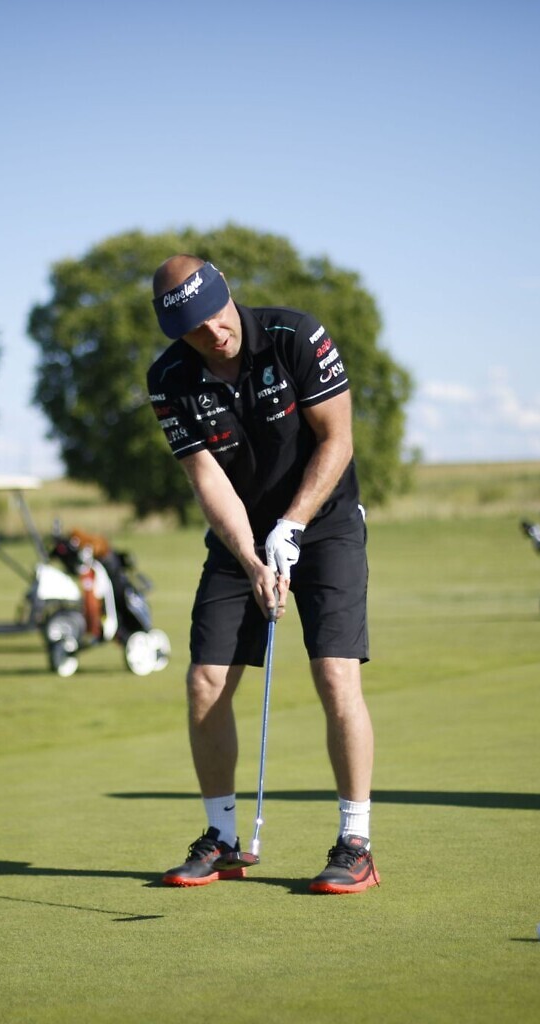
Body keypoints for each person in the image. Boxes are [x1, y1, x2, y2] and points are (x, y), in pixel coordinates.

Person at [145, 254, 378, 895]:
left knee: (335, 676)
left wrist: (294, 524)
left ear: (228, 295)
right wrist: (251, 558)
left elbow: (338, 439)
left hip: (325, 522)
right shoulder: (168, 378)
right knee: (205, 680)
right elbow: (206, 478)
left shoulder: (295, 337)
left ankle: (355, 842)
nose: (212, 333)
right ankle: (222, 838)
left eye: (215, 317)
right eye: (193, 329)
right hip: (237, 534)